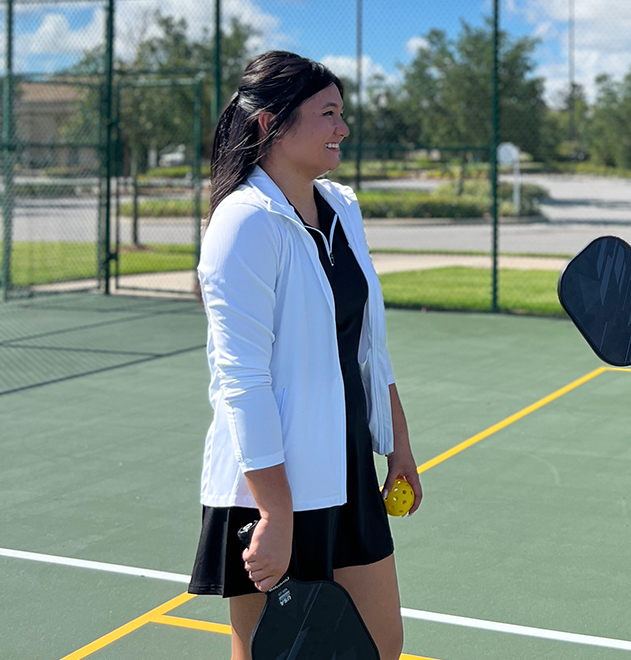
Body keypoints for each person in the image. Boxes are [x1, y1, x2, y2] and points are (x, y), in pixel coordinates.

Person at [187, 51, 421, 660]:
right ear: (270, 125)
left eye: (342, 113)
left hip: (345, 467)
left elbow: (370, 346)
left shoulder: (342, 208)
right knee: (267, 654)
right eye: (328, 113)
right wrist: (276, 512)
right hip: (272, 484)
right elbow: (242, 381)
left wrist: (397, 443)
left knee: (380, 645)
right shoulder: (242, 224)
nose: (343, 127)